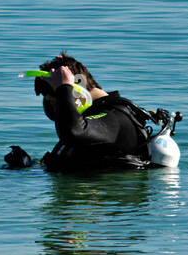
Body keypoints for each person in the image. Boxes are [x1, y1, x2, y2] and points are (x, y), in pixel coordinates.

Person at [16, 53, 158, 173]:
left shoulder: (114, 118)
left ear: (77, 90)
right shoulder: (92, 117)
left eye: (55, 103)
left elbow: (73, 131)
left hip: (107, 203)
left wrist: (64, 87)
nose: (55, 110)